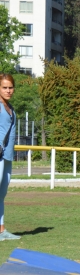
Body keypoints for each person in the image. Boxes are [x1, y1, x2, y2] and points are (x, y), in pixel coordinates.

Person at [0, 74, 18, 241]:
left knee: (2, 193)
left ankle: (1, 230)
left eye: (10, 87)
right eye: (4, 87)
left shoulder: (10, 108)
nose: (8, 90)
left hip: (6, 156)